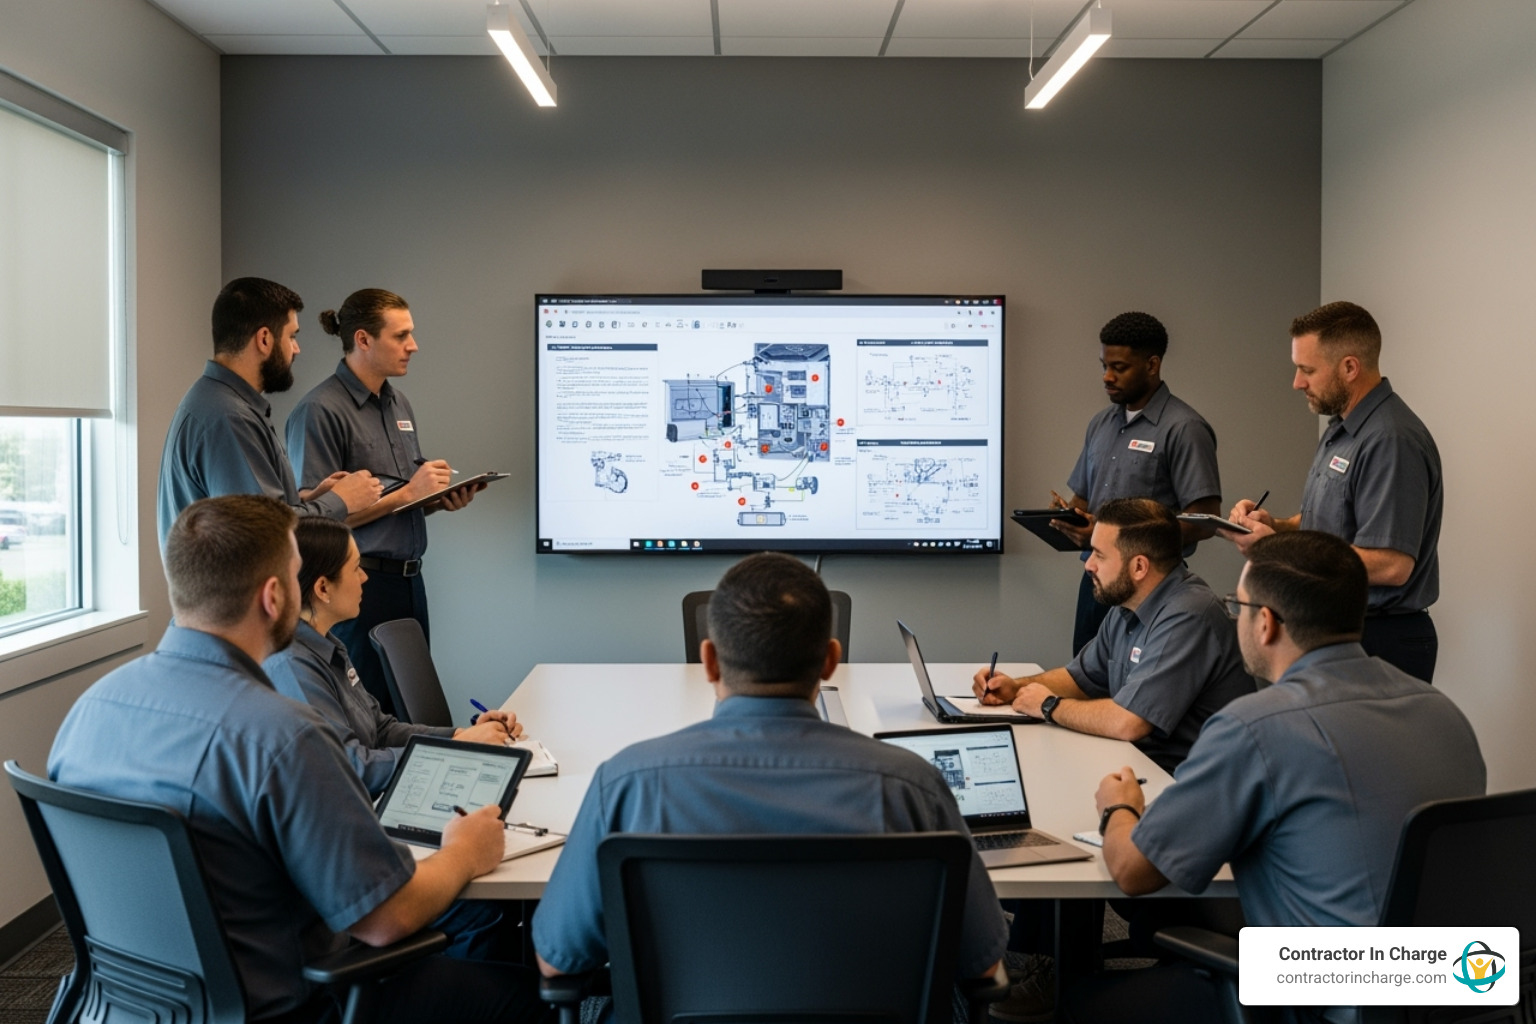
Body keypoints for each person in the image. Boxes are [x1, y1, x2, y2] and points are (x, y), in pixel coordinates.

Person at [50, 496, 545, 1024]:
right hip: (295, 1004)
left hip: (130, 1008)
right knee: (535, 1000)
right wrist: (466, 853)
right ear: (273, 596)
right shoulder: (281, 736)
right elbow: (386, 918)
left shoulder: (88, 712)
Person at [1066, 531, 1484, 1024]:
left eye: (1235, 605)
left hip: (1323, 998)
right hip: (1457, 985)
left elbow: (1133, 872)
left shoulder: (1256, 726)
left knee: (1077, 1005)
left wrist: (1120, 805)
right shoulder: (1445, 713)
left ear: (1264, 623)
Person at [531, 551, 1008, 983]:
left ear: (709, 661)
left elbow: (558, 960)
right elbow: (982, 964)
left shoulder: (627, 783)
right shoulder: (910, 787)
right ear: (830, 661)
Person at [1225, 301, 1443, 683]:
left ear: (1349, 367)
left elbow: (1393, 564)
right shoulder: (1341, 429)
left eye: (1307, 370)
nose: (1297, 382)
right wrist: (1275, 527)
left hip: (1379, 638)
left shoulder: (1390, 440)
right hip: (1335, 628)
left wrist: (1275, 552)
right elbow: (1325, 527)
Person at [286, 289, 483, 712]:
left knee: (412, 709)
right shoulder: (320, 410)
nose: (413, 346)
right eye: (401, 335)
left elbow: (399, 497)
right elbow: (310, 525)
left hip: (410, 583)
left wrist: (433, 498)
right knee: (369, 714)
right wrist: (412, 491)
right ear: (363, 340)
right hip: (359, 587)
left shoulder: (398, 403)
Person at [974, 498, 1253, 773]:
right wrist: (1014, 688)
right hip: (1142, 766)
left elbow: (1129, 722)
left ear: (1139, 567)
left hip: (1187, 784)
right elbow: (1079, 678)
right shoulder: (1128, 604)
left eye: (1099, 554)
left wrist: (1048, 705)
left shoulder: (1189, 615)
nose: (1089, 565)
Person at [265, 515, 522, 797]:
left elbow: (381, 729)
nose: (365, 577)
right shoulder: (293, 666)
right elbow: (349, 767)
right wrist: (455, 750)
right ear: (323, 588)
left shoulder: (329, 645)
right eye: (356, 568)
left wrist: (460, 735)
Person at [157, 277, 381, 551]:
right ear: (264, 339)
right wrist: (341, 500)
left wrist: (316, 500)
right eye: (292, 336)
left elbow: (265, 513)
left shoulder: (214, 402)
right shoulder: (229, 417)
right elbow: (268, 534)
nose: (296, 348)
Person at [1052, 312, 1222, 653]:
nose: (1107, 376)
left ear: (1152, 364)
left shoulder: (1184, 428)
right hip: (1095, 581)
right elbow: (1084, 499)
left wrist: (1116, 536)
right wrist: (1069, 516)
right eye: (1104, 365)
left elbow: (1204, 522)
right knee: (1086, 680)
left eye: (1119, 367)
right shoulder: (1100, 424)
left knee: (1136, 690)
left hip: (1151, 587)